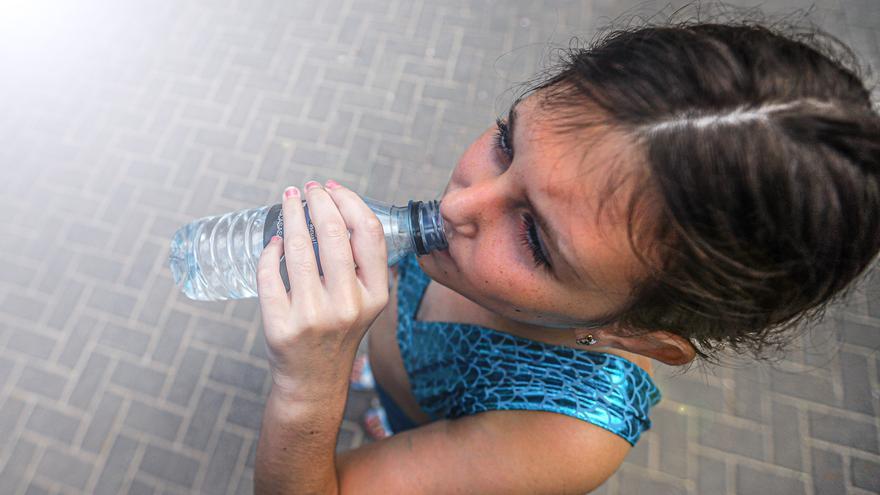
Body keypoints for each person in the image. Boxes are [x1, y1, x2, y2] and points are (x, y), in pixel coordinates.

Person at [252, 17, 880, 495]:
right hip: (389, 373)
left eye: (534, 240)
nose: (458, 206)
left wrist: (309, 385)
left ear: (636, 333)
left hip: (433, 438)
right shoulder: (506, 204)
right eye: (505, 142)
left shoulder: (564, 437)